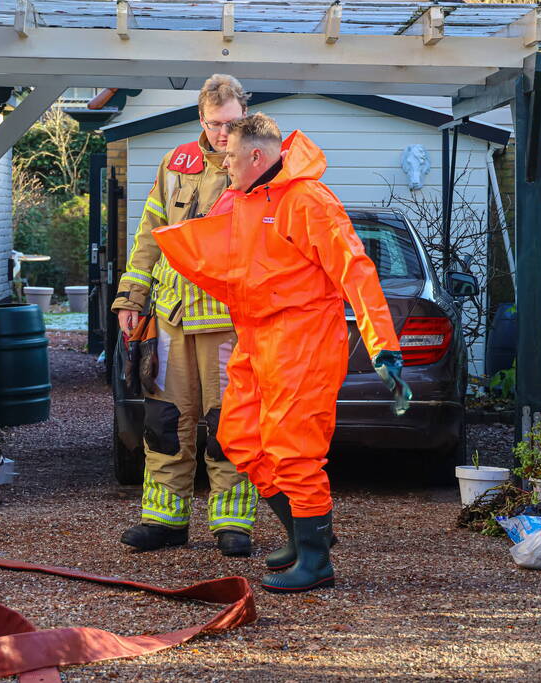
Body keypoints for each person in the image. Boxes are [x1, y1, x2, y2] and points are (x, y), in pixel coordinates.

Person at [152, 113, 411, 593]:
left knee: (294, 453)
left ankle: (316, 561)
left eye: (229, 156)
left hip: (304, 341)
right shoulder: (248, 197)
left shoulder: (309, 201)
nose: (223, 164)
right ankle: (305, 532)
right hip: (256, 338)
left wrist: (384, 347)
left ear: (256, 155)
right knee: (239, 438)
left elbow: (357, 270)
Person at [111, 75, 258, 557]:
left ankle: (233, 523)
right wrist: (131, 298)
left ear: (245, 117)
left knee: (228, 424)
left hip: (228, 320)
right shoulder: (175, 165)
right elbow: (149, 234)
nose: (223, 133)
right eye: (215, 124)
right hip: (172, 315)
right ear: (201, 119)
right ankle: (164, 520)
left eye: (232, 123)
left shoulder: (261, 168)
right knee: (165, 420)